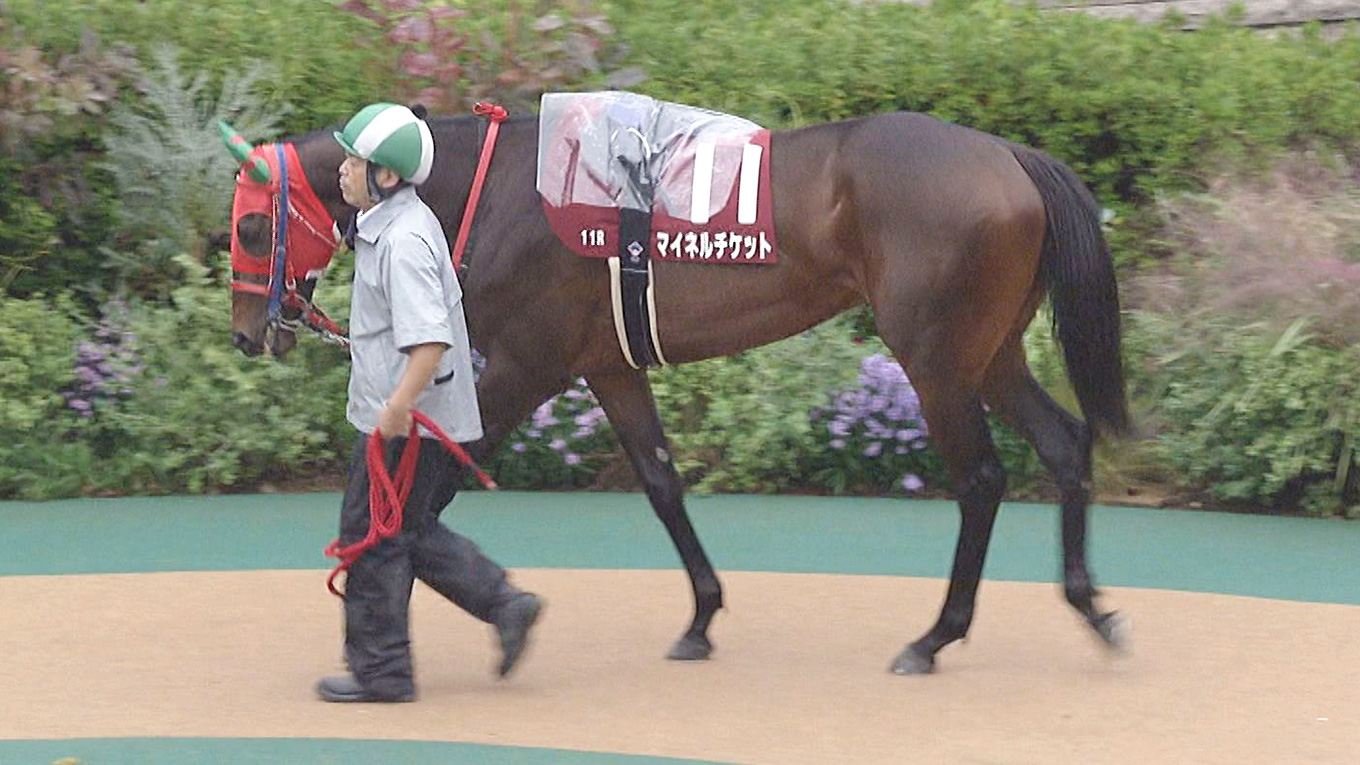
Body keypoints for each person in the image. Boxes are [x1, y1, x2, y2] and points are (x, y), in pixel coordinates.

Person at [316, 102, 542, 703]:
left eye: (354, 161)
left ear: (387, 175)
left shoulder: (405, 241)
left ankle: (383, 672)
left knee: (372, 533)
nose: (342, 169)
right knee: (405, 530)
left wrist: (398, 406)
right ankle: (504, 604)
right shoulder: (388, 225)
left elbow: (430, 338)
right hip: (410, 417)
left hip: (408, 424)